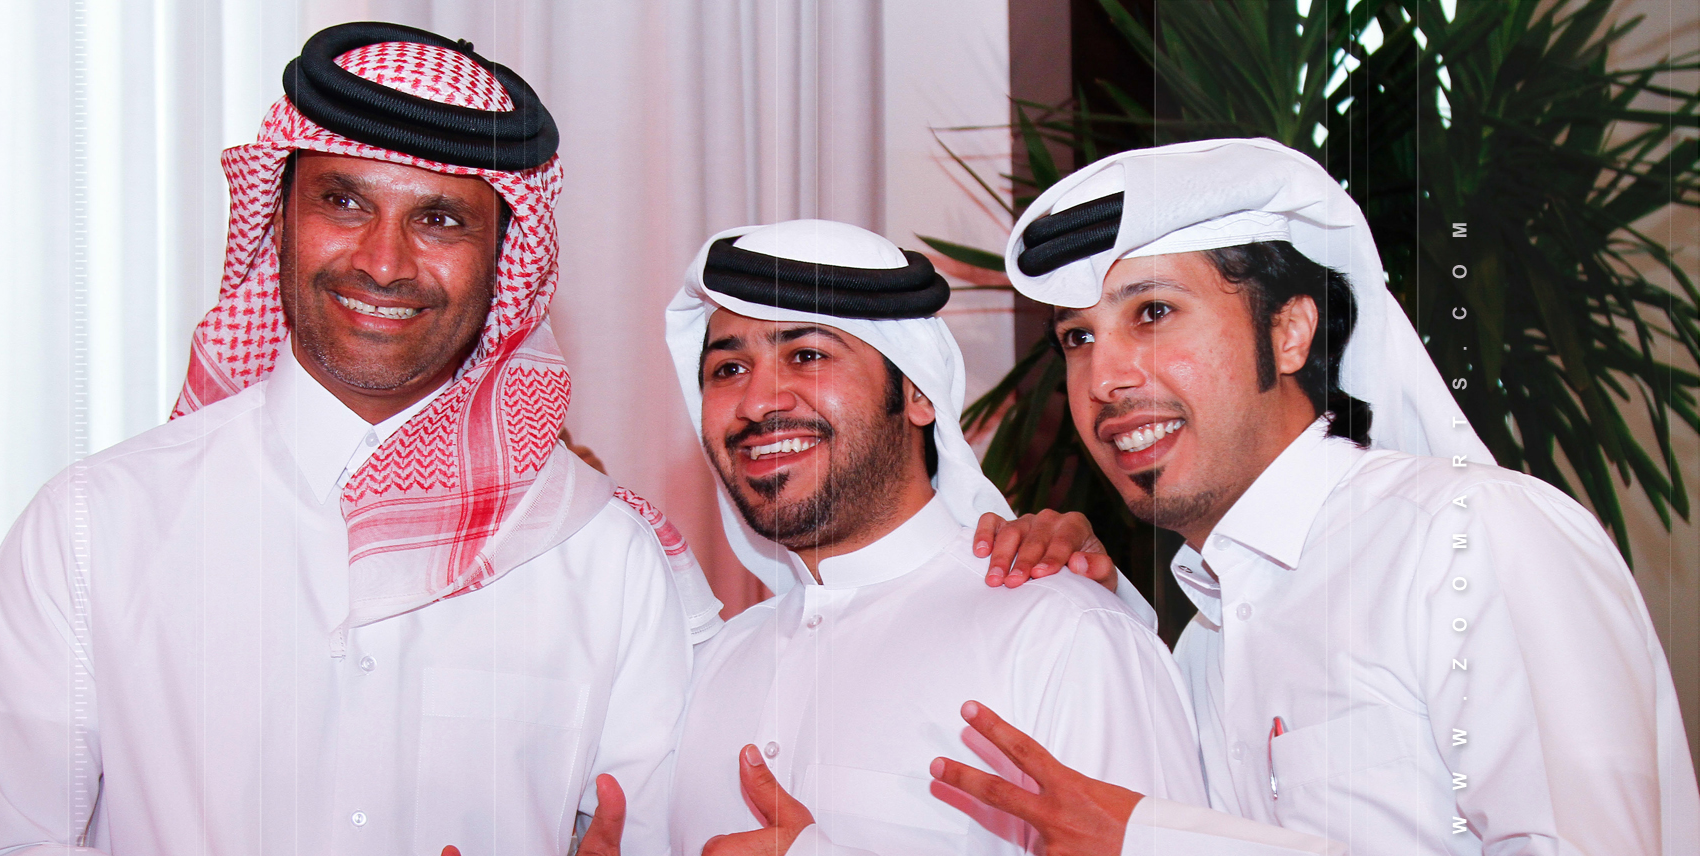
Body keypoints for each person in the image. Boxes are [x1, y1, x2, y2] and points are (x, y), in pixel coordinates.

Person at [0, 22, 721, 856]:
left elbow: (657, 836)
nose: (384, 263)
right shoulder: (96, 525)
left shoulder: (602, 554)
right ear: (277, 219)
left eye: (440, 219)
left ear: (504, 258)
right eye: (344, 203)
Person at [931, 138, 1700, 854]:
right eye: (1078, 338)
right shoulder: (1202, 648)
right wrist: (1095, 612)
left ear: (1290, 332)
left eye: (1154, 313)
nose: (1105, 378)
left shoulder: (1471, 539)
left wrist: (1151, 841)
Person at [662, 219, 1207, 856]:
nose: (757, 402)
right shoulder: (719, 661)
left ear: (918, 391)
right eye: (728, 368)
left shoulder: (1064, 636)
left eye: (807, 356)